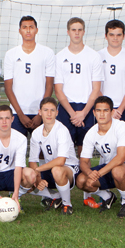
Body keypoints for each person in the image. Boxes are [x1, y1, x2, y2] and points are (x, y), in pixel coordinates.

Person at [23, 96, 81, 215]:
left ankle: (67, 204)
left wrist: (37, 170)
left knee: (57, 170)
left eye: (52, 110)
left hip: (69, 168)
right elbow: (33, 160)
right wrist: (37, 178)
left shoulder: (61, 130)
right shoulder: (36, 133)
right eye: (45, 110)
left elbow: (60, 161)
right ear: (40, 112)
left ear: (57, 113)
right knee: (25, 177)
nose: (49, 113)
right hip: (49, 168)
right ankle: (55, 196)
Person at [54, 17, 103, 155]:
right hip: (66, 108)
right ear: (68, 32)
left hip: (86, 107)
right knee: (65, 149)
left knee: (84, 149)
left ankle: (83, 175)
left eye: (79, 30)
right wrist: (73, 114)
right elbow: (58, 90)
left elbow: (96, 89)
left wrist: (83, 113)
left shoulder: (93, 56)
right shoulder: (59, 56)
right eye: (73, 30)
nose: (77, 33)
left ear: (84, 32)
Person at [75, 96, 125, 213]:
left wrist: (99, 173)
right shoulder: (91, 133)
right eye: (99, 111)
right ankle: (108, 196)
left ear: (111, 112)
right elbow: (83, 162)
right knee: (81, 180)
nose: (102, 114)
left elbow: (121, 158)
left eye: (106, 110)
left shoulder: (122, 127)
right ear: (94, 113)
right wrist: (90, 173)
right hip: (107, 166)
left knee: (118, 171)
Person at [3, 15, 55, 137]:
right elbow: (8, 88)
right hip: (17, 112)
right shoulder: (11, 54)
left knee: (44, 151)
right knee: (16, 152)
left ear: (36, 30)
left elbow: (49, 86)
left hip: (41, 112)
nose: (28, 30)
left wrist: (40, 113)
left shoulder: (47, 53)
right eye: (24, 27)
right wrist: (20, 114)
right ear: (19, 30)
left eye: (31, 27)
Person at [97, 20, 125, 130]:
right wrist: (108, 109)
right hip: (103, 109)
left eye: (118, 35)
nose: (115, 38)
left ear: (123, 36)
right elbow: (95, 86)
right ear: (106, 36)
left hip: (124, 109)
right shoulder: (97, 56)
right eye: (111, 35)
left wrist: (119, 110)